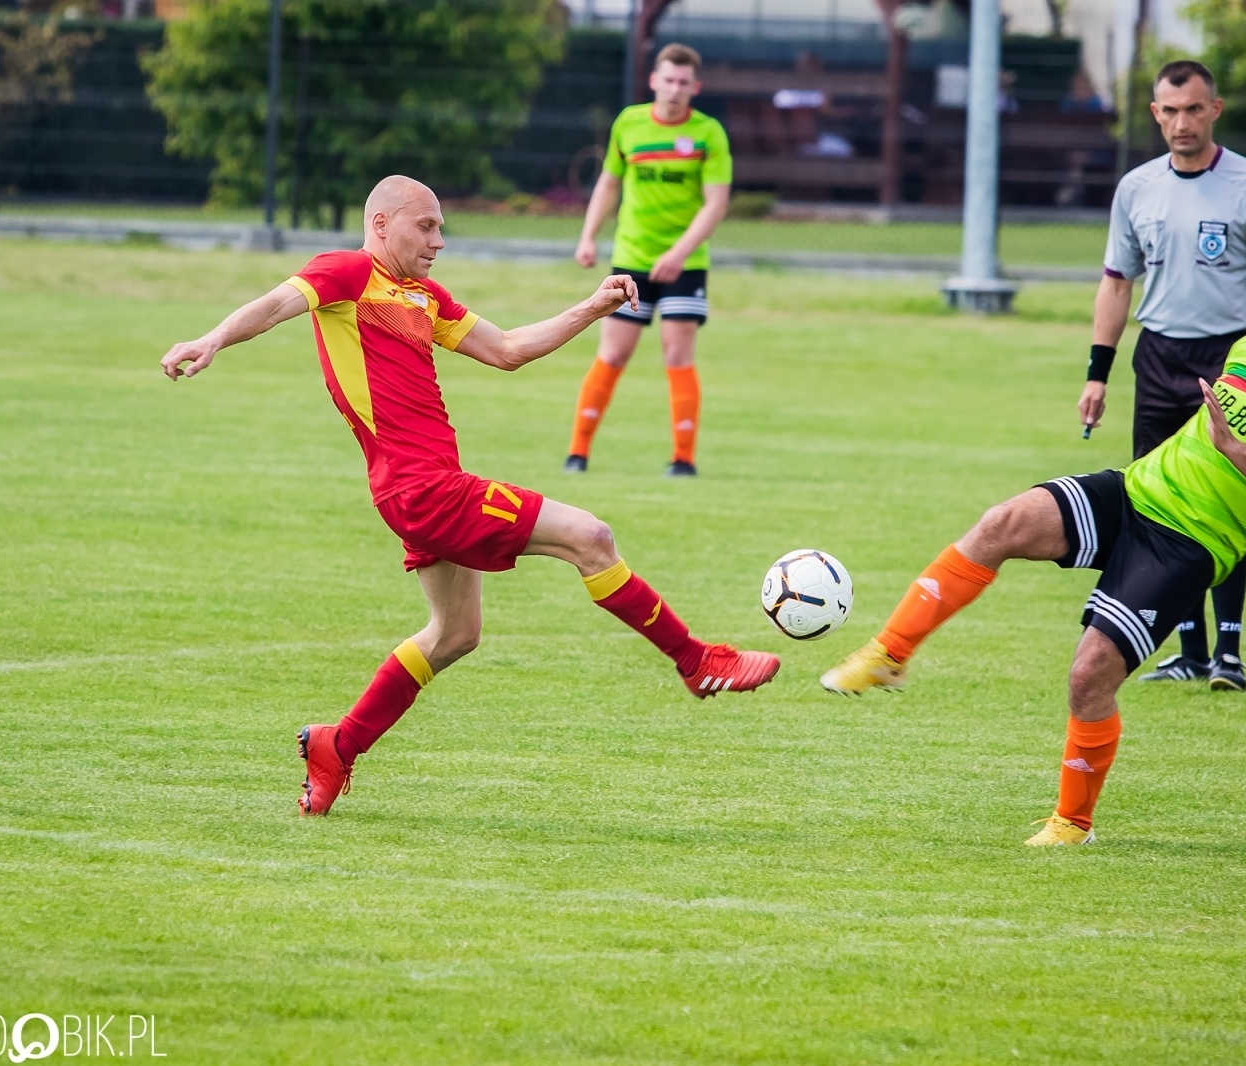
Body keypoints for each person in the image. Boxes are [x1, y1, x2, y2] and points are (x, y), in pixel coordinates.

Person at [159, 175, 780, 817]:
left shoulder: (424, 297)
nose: (438, 241)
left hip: (417, 491)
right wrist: (212, 340)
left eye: (441, 227)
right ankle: (695, 658)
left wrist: (591, 308)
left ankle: (337, 745)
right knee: (589, 537)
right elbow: (273, 304)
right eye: (425, 227)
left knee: (455, 633)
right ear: (381, 225)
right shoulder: (345, 273)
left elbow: (507, 349)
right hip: (423, 489)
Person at [821, 263, 1246, 846]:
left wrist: (1233, 448)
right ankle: (888, 654)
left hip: (1190, 546)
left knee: (1088, 678)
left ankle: (1072, 824)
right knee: (1002, 523)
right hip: (1132, 494)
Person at [1079, 59, 1246, 691]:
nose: (1181, 122)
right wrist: (1098, 374)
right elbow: (1117, 282)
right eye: (1170, 111)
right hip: (1159, 359)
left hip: (1232, 358)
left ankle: (1228, 653)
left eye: (1194, 109)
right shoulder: (1137, 188)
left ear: (1215, 110)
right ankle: (1190, 651)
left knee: (1224, 502)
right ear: (1155, 115)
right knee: (1160, 507)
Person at [565, 43, 732, 478]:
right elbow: (608, 184)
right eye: (668, 80)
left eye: (683, 83)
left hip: (686, 263)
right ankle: (577, 454)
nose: (675, 89)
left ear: (695, 87)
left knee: (678, 355)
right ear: (654, 80)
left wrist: (678, 254)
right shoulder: (630, 124)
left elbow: (715, 204)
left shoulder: (708, 133)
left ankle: (683, 460)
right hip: (632, 257)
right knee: (614, 353)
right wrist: (587, 237)